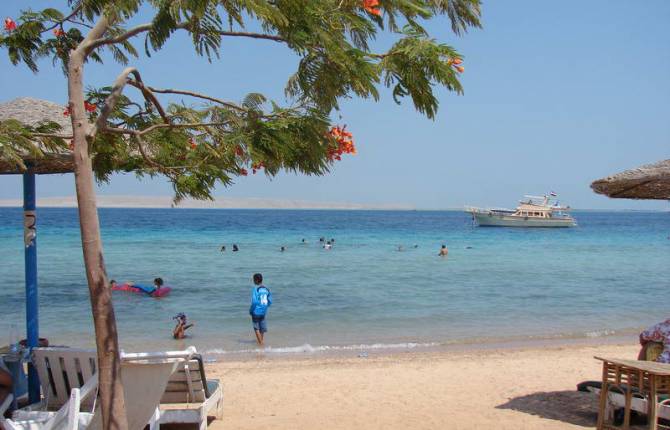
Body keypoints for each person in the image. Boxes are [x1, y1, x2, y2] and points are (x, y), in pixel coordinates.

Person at [249, 273, 272, 345]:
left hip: (256, 311)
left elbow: (254, 302)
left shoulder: (256, 289)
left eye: (253, 279)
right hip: (263, 311)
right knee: (262, 328)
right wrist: (265, 307)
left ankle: (261, 343)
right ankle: (261, 341)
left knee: (256, 328)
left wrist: (251, 310)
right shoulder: (266, 289)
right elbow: (270, 301)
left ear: (256, 280)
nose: (253, 281)